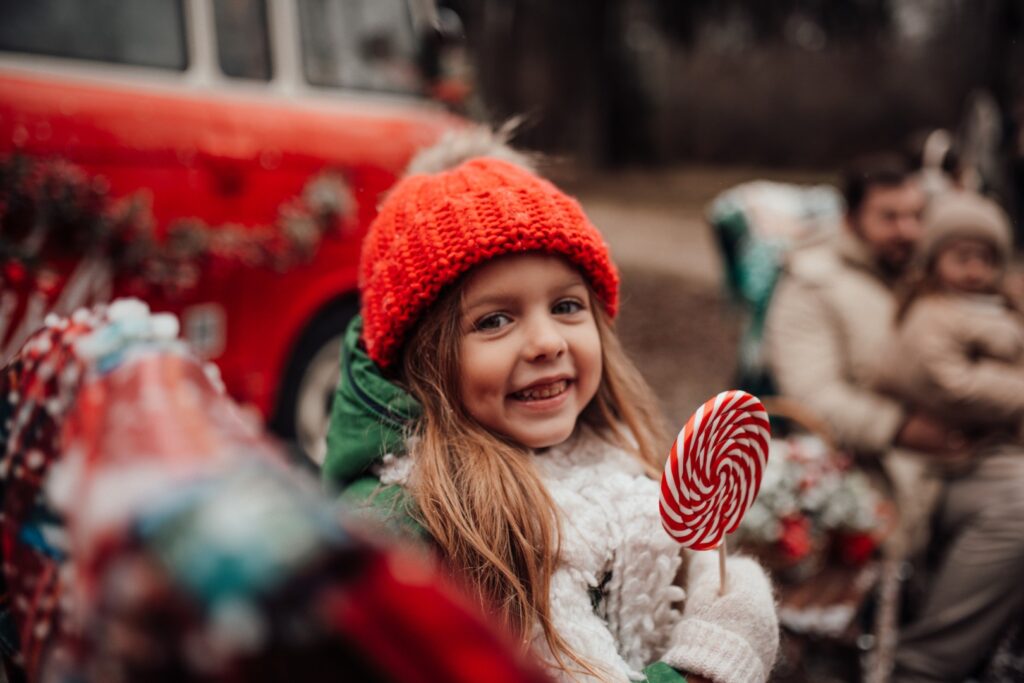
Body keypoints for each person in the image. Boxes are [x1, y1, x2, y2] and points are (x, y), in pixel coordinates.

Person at [323, 146, 779, 683]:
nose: (545, 343)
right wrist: (705, 668)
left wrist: (717, 589)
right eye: (494, 320)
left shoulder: (610, 459)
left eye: (566, 306)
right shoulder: (401, 527)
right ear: (421, 359)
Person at [766, 156, 1024, 682]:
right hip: (883, 467)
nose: (907, 229)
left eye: (915, 214)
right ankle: (924, 666)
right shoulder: (812, 285)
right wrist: (901, 427)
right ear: (850, 217)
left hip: (968, 450)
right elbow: (814, 395)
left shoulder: (941, 269)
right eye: (889, 217)